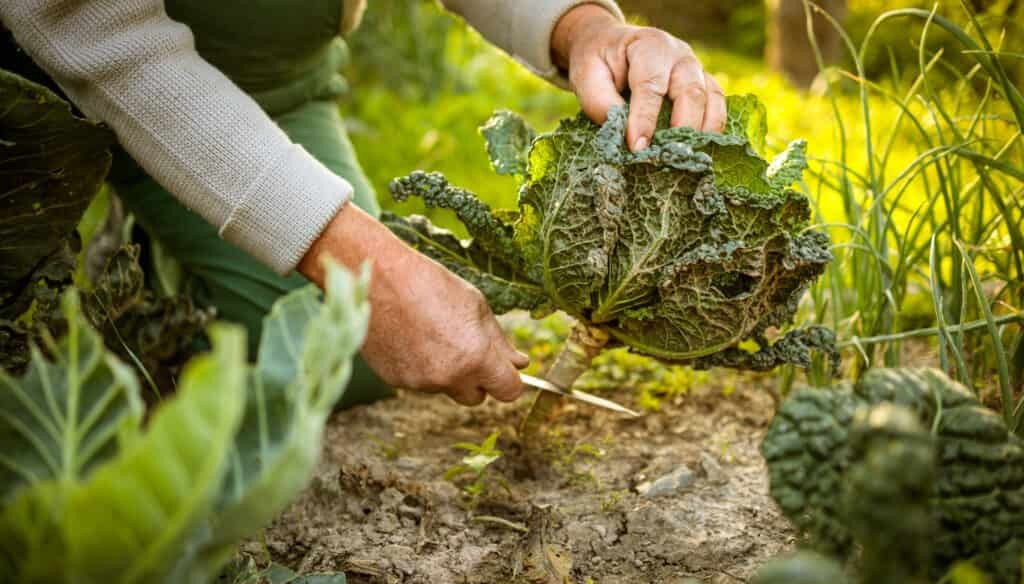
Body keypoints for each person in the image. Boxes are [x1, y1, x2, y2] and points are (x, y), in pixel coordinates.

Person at [1, 1, 726, 408]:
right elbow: (87, 28)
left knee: (340, 355)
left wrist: (582, 25)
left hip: (264, 86)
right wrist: (358, 260)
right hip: (44, 88)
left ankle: (159, 239)